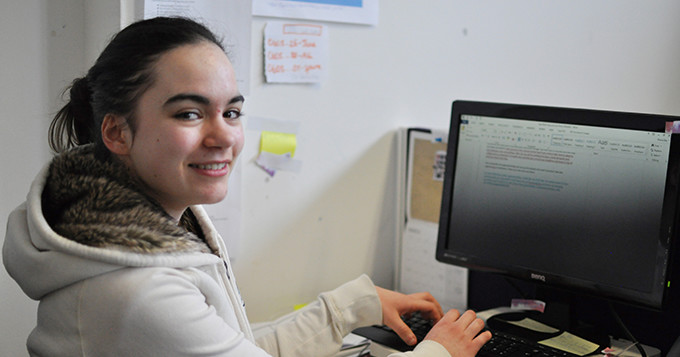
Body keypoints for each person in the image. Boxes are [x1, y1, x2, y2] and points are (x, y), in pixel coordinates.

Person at [2, 17, 491, 356]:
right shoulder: (137, 291)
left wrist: (352, 306)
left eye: (231, 112)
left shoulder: (144, 226)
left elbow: (236, 347)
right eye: (189, 113)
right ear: (116, 132)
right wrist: (440, 351)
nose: (223, 137)